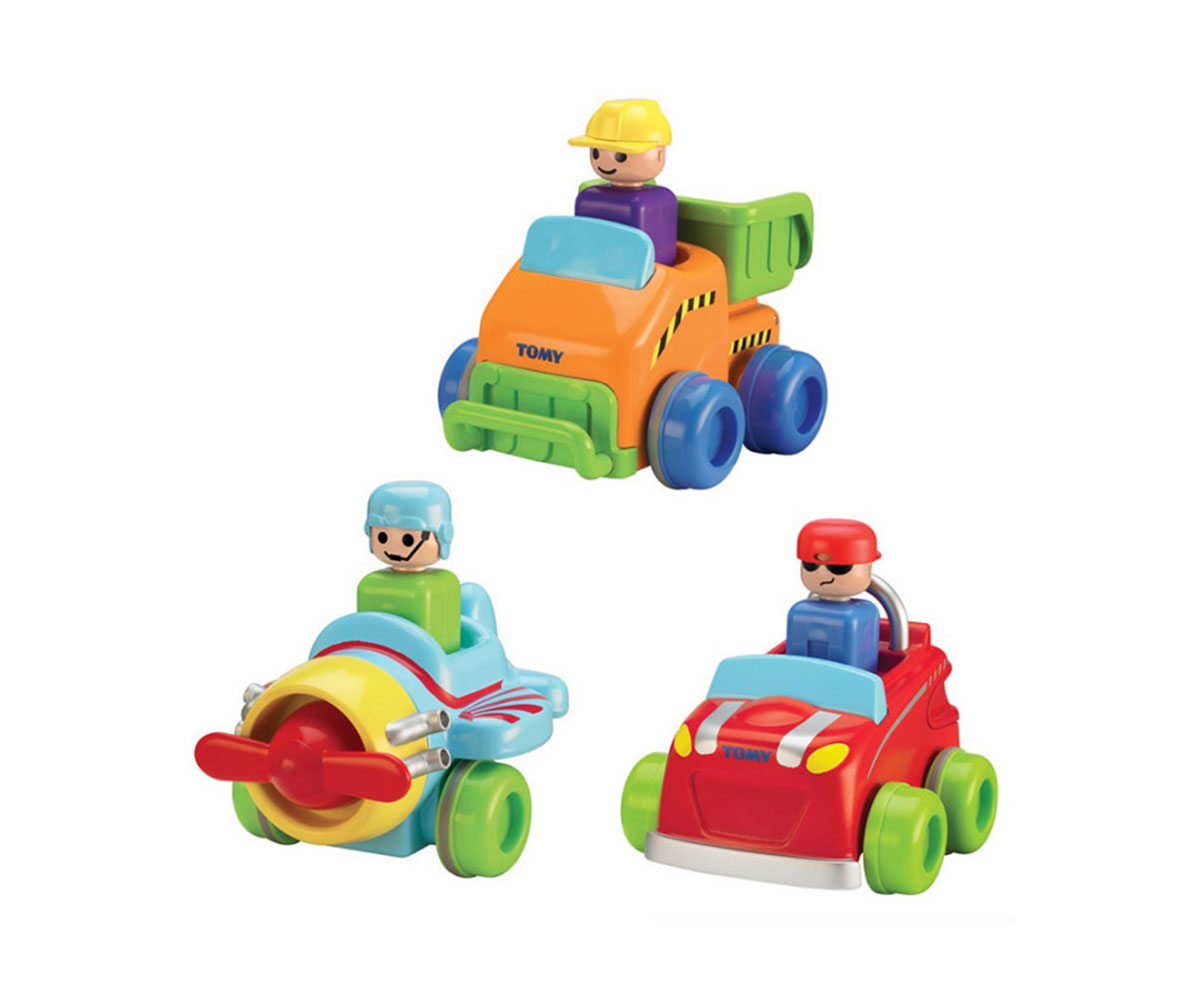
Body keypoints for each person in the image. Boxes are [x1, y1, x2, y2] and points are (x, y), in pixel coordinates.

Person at [569, 99, 678, 266]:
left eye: (620, 156)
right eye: (596, 153)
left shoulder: (657, 201)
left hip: (647, 276)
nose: (605, 163)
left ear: (659, 155)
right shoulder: (587, 196)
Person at [358, 481, 460, 653]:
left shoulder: (438, 585)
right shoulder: (369, 583)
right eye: (382, 537)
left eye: (408, 540)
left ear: (442, 535)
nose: (393, 547)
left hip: (427, 661)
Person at [786, 519, 882, 672]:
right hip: (800, 678)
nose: (824, 574)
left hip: (853, 683)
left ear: (868, 566)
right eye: (811, 566)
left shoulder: (862, 614)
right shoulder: (798, 611)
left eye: (840, 569)